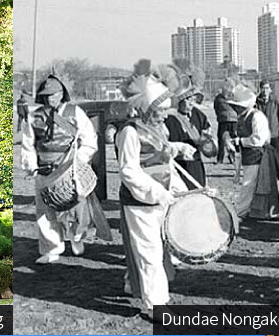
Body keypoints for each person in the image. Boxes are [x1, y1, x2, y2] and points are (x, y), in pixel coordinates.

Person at [114, 62, 194, 317]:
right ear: (147, 108)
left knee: (156, 250)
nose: (165, 115)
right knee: (149, 252)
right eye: (160, 110)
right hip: (140, 203)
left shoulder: (158, 128)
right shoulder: (129, 133)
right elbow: (129, 171)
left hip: (160, 199)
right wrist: (158, 193)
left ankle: (138, 284)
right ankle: (155, 305)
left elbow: (162, 157)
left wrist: (179, 149)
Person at [17, 75, 99, 264]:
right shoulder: (34, 116)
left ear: (61, 94)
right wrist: (32, 166)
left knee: (76, 208)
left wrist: (78, 162)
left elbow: (89, 139)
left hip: (70, 168)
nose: (50, 98)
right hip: (44, 169)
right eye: (46, 95)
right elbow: (28, 143)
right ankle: (52, 249)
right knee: (45, 211)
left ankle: (77, 236)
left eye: (53, 94)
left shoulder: (75, 112)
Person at [228, 79, 279, 219]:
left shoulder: (257, 117)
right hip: (249, 156)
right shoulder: (243, 118)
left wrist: (240, 141)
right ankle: (255, 211)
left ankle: (240, 212)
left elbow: (258, 139)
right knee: (253, 184)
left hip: (258, 156)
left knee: (249, 185)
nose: (236, 109)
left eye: (238, 106)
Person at [165, 88, 213, 187]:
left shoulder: (198, 115)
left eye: (193, 99)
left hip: (196, 164)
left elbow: (207, 131)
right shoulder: (167, 118)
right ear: (179, 101)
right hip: (177, 166)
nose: (191, 103)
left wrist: (206, 142)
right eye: (188, 99)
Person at [256, 80, 279, 182]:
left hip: (274, 131)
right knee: (262, 153)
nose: (265, 90)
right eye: (263, 88)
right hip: (261, 132)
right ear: (260, 89)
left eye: (267, 88)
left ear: (270, 89)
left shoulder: (275, 100)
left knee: (277, 152)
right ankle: (263, 173)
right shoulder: (256, 102)